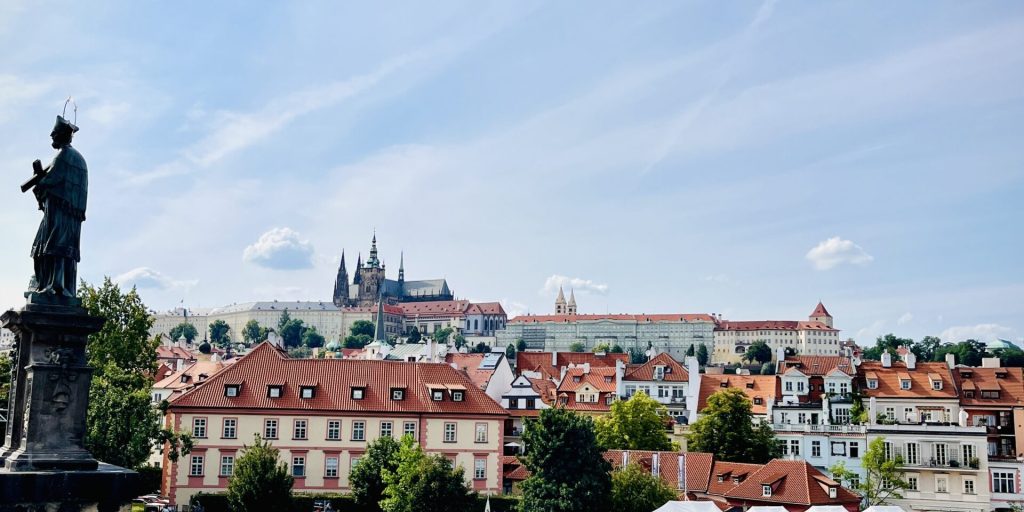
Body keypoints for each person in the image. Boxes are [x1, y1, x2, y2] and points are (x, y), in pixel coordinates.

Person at [27, 115, 88, 303]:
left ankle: (53, 287)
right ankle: (56, 285)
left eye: (54, 134)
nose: (51, 138)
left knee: (47, 250)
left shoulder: (64, 156)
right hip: (67, 218)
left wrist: (39, 183)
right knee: (45, 250)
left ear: (61, 135)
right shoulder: (77, 158)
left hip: (59, 217)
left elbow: (51, 182)